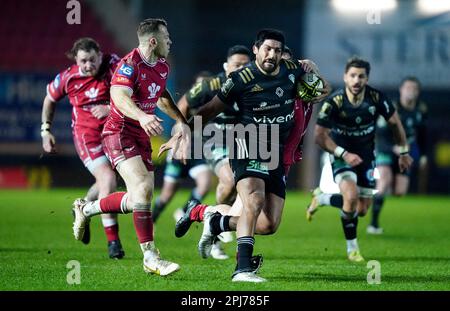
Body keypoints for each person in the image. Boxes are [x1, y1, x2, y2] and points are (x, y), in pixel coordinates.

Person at [162, 29, 330, 282]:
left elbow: (324, 89)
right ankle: (242, 269)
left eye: (276, 50)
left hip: (274, 150)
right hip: (246, 143)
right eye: (267, 49)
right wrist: (183, 130)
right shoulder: (242, 79)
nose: (271, 54)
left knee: (268, 225)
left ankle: (214, 222)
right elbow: (210, 109)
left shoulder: (293, 70)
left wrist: (314, 70)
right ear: (256, 50)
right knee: (253, 200)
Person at [71, 18, 188, 276]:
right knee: (144, 190)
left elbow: (161, 96)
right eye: (166, 37)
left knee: (139, 199)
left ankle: (86, 208)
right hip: (119, 132)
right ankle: (150, 257)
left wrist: (181, 121)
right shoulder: (129, 64)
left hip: (141, 135)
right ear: (154, 41)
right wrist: (143, 116)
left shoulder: (162, 67)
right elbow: (119, 97)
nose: (170, 41)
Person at [305, 57, 413, 262]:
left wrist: (404, 152)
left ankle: (322, 199)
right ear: (345, 77)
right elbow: (319, 136)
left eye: (361, 76)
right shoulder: (334, 102)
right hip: (341, 156)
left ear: (367, 78)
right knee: (351, 197)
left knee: (362, 210)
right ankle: (352, 249)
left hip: (366, 156)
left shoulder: (376, 98)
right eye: (352, 75)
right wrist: (343, 153)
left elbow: (396, 124)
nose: (356, 81)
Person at [41, 37, 125, 259]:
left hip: (113, 133)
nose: (88, 65)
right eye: (83, 61)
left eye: (92, 60)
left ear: (101, 55)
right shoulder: (68, 77)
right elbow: (49, 99)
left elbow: (133, 90)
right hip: (87, 137)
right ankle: (113, 242)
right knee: (108, 180)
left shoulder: (115, 66)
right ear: (76, 60)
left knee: (105, 181)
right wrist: (45, 130)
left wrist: (109, 107)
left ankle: (83, 207)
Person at [152, 71, 214, 226]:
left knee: (205, 184)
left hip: (198, 152)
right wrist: (178, 145)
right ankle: (151, 220)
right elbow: (178, 124)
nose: (203, 88)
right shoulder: (188, 101)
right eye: (200, 84)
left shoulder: (216, 103)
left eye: (207, 85)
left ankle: (184, 211)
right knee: (167, 195)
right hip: (179, 149)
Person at [367, 76, 428, 234]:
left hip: (405, 154)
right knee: (384, 182)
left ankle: (381, 190)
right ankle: (373, 224)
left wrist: (423, 155)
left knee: (400, 192)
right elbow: (379, 133)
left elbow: (422, 135)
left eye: (414, 89)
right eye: (407, 88)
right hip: (386, 150)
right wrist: (392, 147)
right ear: (401, 90)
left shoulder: (420, 111)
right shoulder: (391, 109)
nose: (411, 92)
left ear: (418, 92)